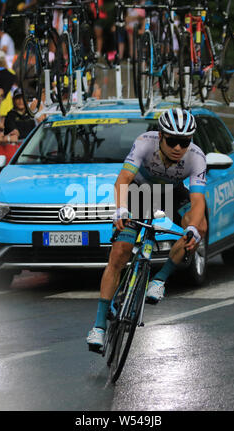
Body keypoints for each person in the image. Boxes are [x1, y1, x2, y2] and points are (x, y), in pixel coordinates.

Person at [86, 108, 208, 350]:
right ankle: (99, 326)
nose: (178, 148)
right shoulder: (144, 142)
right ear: (160, 135)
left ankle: (159, 279)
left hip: (172, 192)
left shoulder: (196, 157)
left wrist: (193, 229)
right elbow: (123, 180)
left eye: (184, 142)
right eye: (172, 141)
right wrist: (121, 209)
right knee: (120, 252)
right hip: (140, 192)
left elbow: (197, 201)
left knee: (200, 224)